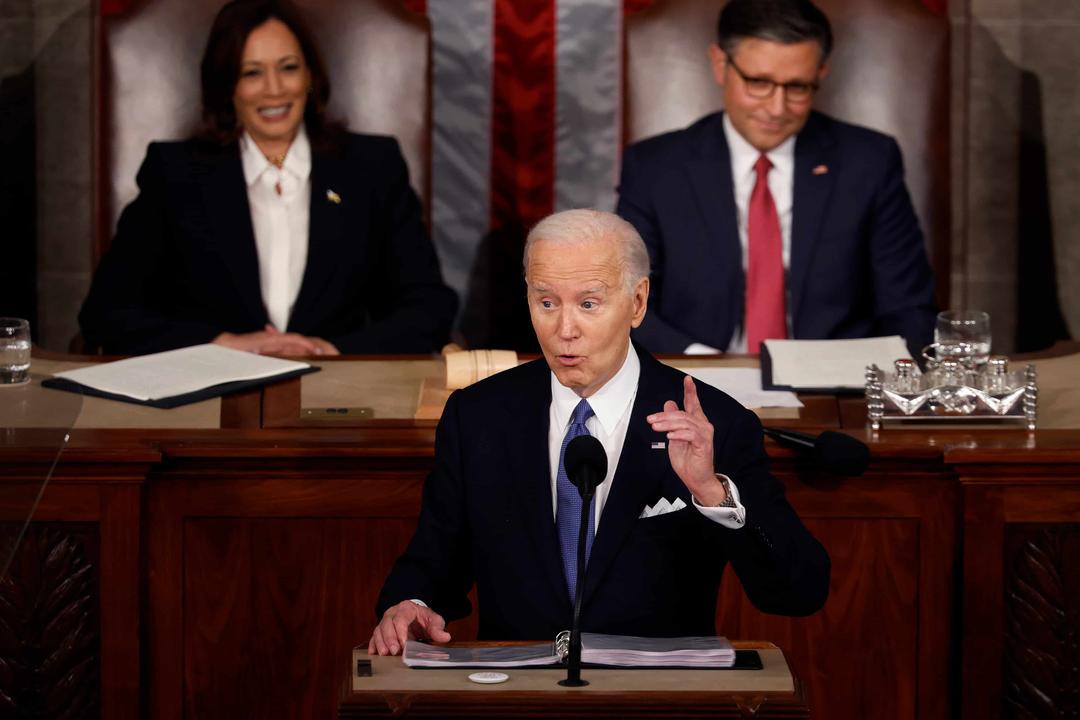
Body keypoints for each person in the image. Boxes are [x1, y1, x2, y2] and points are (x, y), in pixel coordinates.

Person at [369, 209, 829, 653]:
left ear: (637, 303)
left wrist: (711, 492)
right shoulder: (478, 416)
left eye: (589, 304)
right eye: (546, 302)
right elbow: (435, 559)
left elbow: (798, 592)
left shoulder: (712, 423)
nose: (564, 329)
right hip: (519, 696)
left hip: (657, 704)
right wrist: (413, 604)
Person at [79, 0, 456, 356]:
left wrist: (334, 352)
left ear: (310, 76)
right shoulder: (174, 172)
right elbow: (106, 313)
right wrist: (223, 345)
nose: (274, 89)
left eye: (289, 67)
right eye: (252, 72)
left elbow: (429, 307)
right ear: (228, 87)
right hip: (210, 402)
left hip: (340, 400)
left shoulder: (373, 166)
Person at [616, 0, 936, 357]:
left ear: (820, 76)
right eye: (759, 83)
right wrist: (706, 366)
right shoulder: (655, 168)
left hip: (833, 389)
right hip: (696, 380)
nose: (777, 108)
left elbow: (909, 308)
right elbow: (628, 302)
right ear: (721, 65)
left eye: (797, 88)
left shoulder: (869, 162)